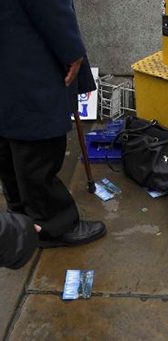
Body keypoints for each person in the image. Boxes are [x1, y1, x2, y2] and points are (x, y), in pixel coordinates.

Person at [0, 0, 106, 248]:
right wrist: (72, 50)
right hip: (27, 58)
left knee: (9, 141)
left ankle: (21, 217)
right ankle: (52, 225)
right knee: (37, 148)